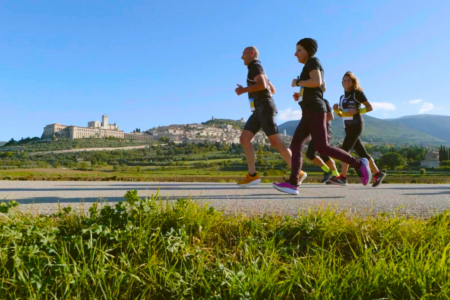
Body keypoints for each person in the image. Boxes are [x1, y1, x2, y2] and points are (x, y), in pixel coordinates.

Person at [273, 38, 371, 195]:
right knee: (296, 145)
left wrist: (298, 81)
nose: (295, 54)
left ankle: (359, 164)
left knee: (322, 147)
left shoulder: (312, 61)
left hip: (314, 110)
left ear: (308, 50)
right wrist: (301, 94)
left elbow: (317, 82)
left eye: (299, 50)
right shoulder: (310, 65)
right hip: (309, 110)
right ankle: (292, 183)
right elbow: (320, 86)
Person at [235, 46, 307, 187]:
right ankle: (252, 175)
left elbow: (262, 85)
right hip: (259, 110)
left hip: (264, 109)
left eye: (243, 53)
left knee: (276, 143)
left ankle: (298, 172)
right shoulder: (258, 69)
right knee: (244, 139)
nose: (241, 57)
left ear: (252, 53)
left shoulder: (255, 66)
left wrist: (244, 90)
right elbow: (271, 89)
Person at [329, 71, 386, 187]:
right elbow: (342, 114)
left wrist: (358, 111)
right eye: (344, 80)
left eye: (348, 80)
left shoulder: (358, 94)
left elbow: (370, 107)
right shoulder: (342, 98)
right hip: (347, 127)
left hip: (357, 125)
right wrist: (336, 110)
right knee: (362, 153)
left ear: (353, 82)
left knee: (344, 150)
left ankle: (343, 177)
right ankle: (378, 173)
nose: (346, 82)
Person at [306, 98, 340, 183]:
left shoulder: (323, 101)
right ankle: (327, 170)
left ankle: (336, 176)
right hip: (315, 132)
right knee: (310, 154)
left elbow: (330, 116)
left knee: (324, 154)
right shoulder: (309, 103)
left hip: (325, 131)